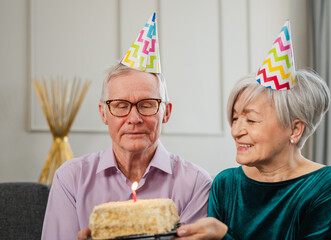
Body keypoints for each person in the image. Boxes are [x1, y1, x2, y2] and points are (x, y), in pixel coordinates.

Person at [176, 21, 331, 239]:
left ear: (295, 130)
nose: (236, 131)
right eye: (235, 118)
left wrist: (222, 237)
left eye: (251, 120)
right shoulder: (225, 185)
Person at [42, 12, 212, 240]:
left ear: (166, 112)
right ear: (104, 113)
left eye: (147, 104)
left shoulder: (195, 184)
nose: (134, 118)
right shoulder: (71, 180)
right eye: (121, 106)